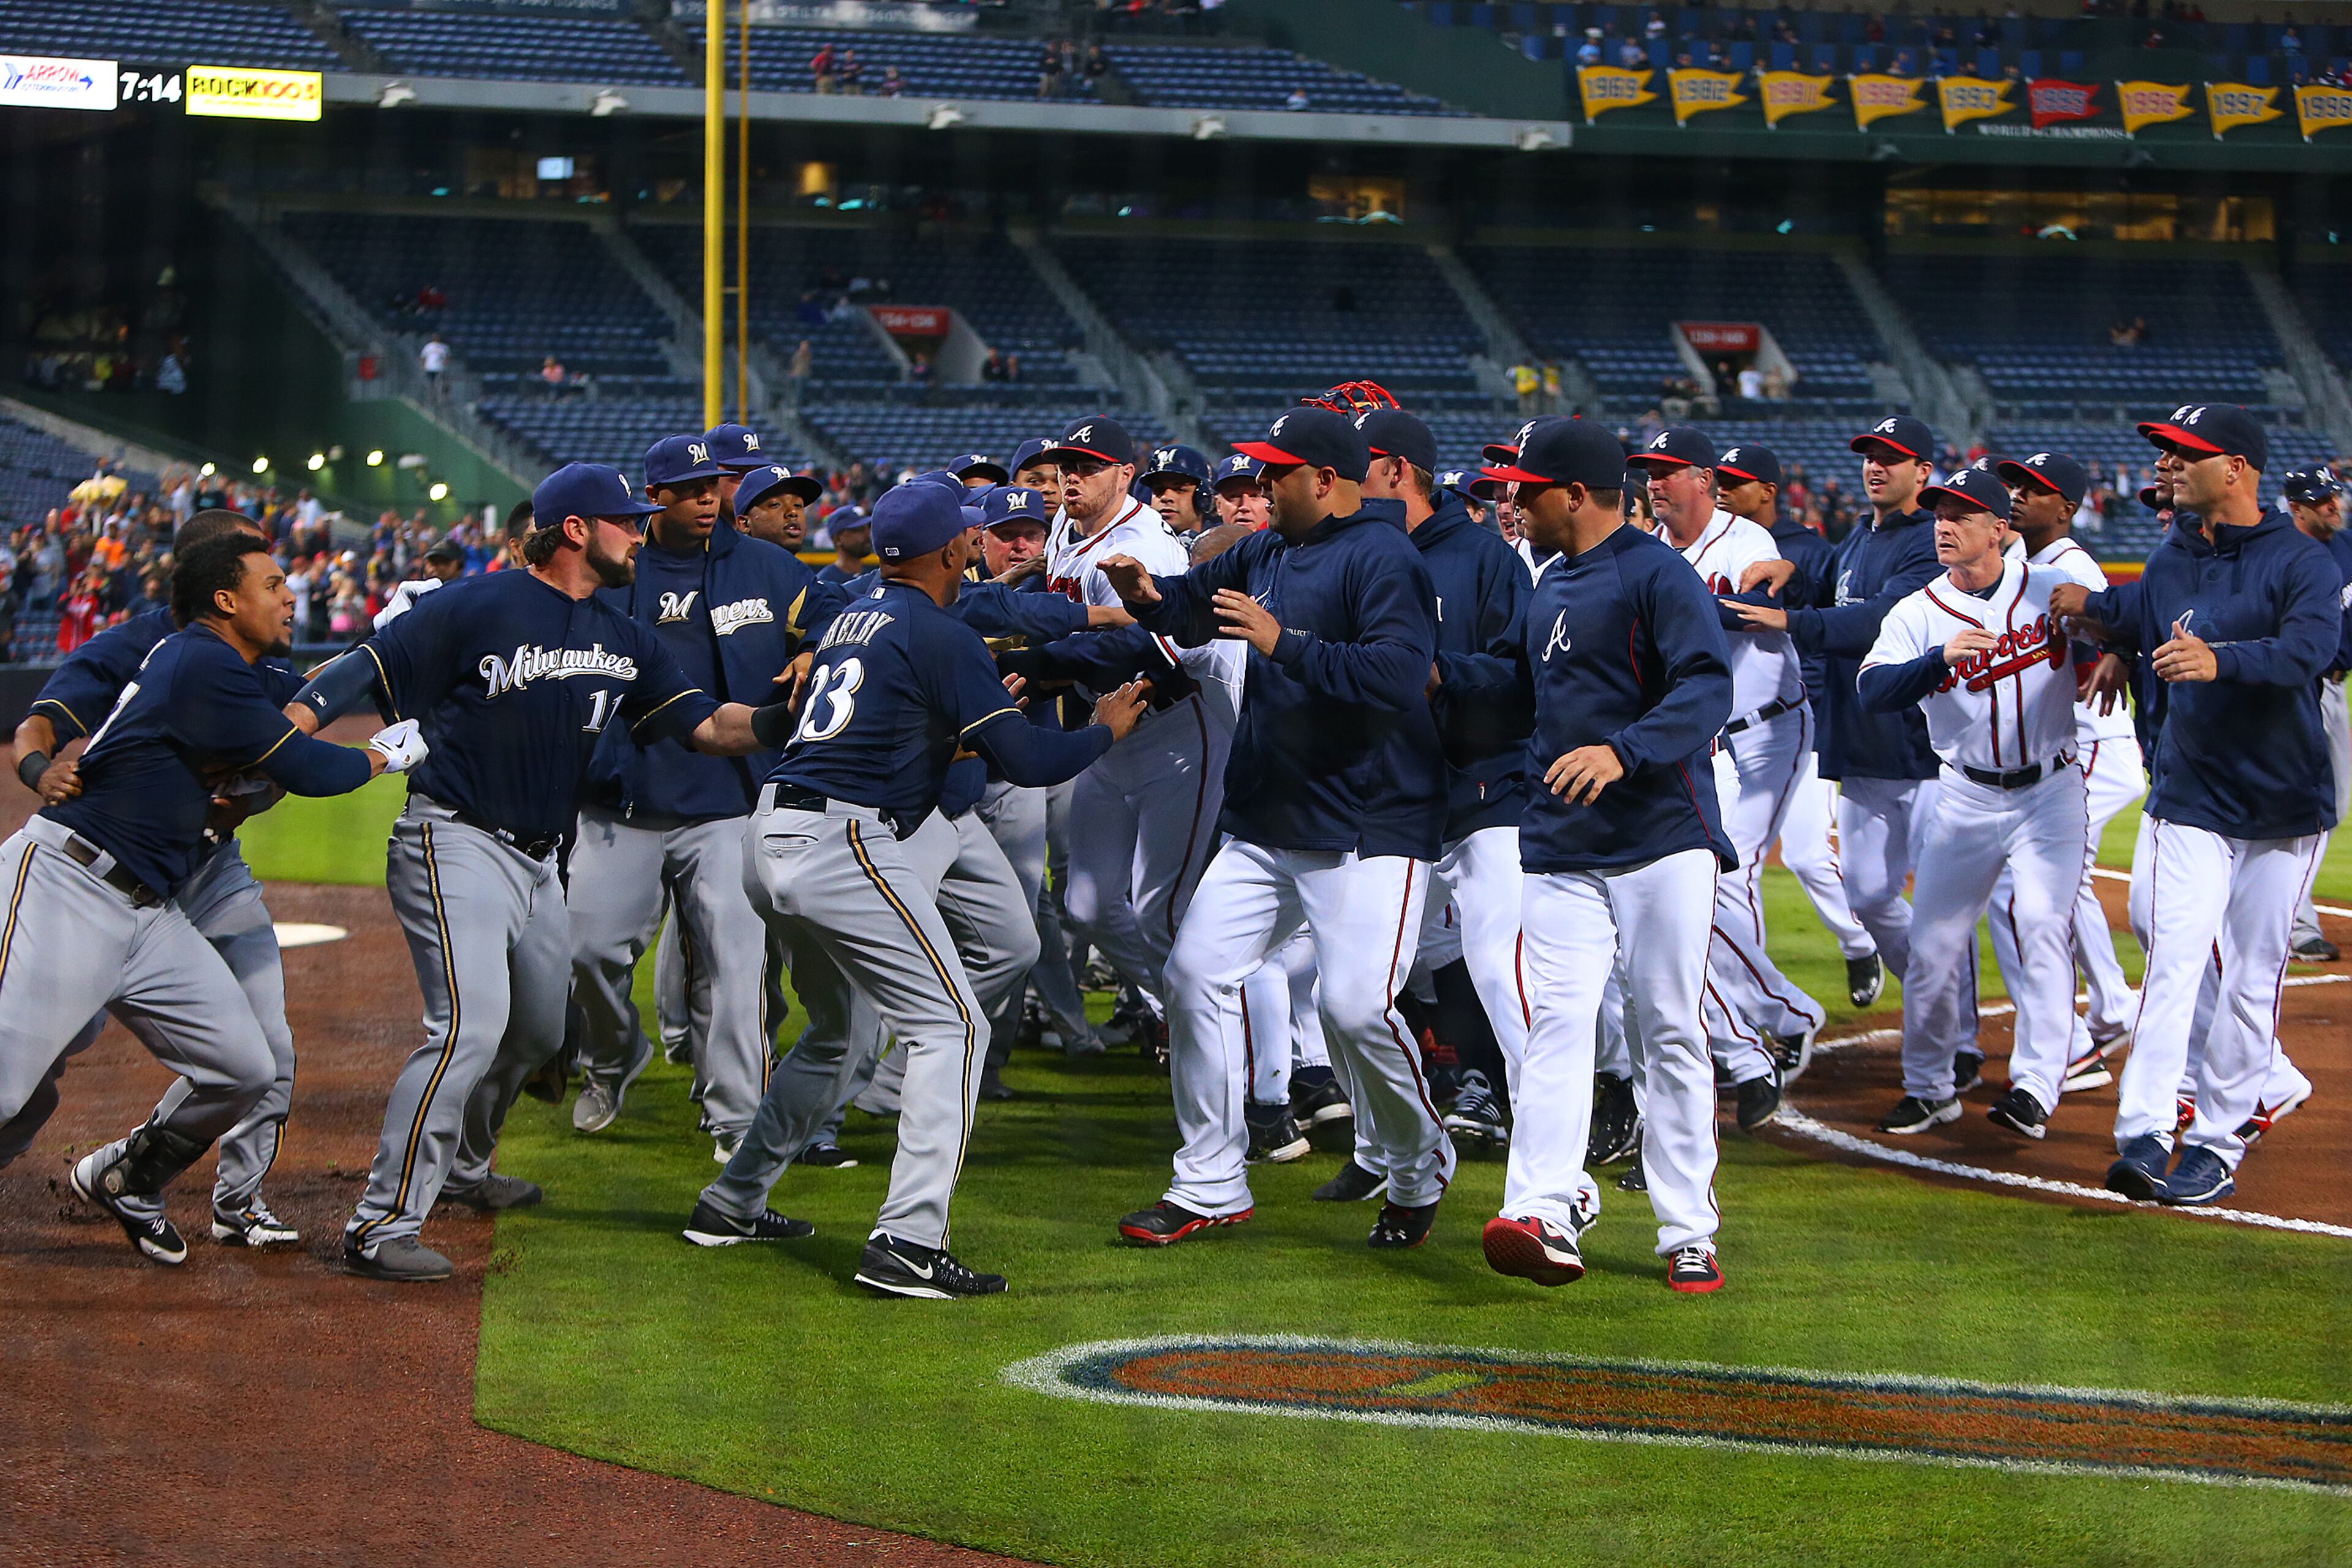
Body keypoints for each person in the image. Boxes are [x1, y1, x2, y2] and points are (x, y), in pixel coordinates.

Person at [288, 462, 782, 1283]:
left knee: (538, 1034)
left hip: (543, 859)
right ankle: (378, 1223)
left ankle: (466, 1171)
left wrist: (784, 716)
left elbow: (708, 727)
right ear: (578, 530)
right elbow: (360, 672)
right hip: (455, 839)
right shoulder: (477, 603)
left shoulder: (624, 635)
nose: (638, 531)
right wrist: (289, 729)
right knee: (467, 1029)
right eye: (623, 519)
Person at [688, 481, 1145, 1297]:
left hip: (772, 830)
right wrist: (1104, 729)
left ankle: (731, 1201)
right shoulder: (936, 631)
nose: (977, 547)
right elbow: (1030, 762)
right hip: (842, 838)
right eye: (968, 539)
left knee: (836, 1032)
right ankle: (907, 1241)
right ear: (948, 551)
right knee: (955, 1029)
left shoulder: (850, 619)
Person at [0, 532, 414, 1265]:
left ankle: (131, 1177)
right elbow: (309, 766)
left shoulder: (228, 662)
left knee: (244, 1068)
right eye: (273, 582)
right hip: (70, 883)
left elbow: (271, 753)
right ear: (225, 599)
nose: (291, 595)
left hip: (152, 905)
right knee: (11, 1091)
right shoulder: (199, 660)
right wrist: (386, 754)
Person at [1099, 406, 1455, 1252]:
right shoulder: (1268, 548)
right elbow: (1192, 610)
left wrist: (1284, 643)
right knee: (1194, 974)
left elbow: (1402, 677)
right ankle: (1209, 1182)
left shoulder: (1383, 555)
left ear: (1324, 480)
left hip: (1370, 821)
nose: (1258, 486)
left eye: (1275, 472)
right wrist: (1147, 597)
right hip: (1269, 815)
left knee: (1356, 1009)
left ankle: (1417, 1166)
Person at [1469, 417, 1736, 1294]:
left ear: (1574, 494)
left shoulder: (1657, 574)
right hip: (1561, 842)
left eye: (1526, 488)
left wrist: (1625, 749)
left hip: (1661, 839)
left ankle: (1687, 1228)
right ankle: (1545, 1208)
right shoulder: (1547, 580)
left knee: (1667, 1026)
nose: (1512, 501)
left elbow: (1706, 686)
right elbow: (1512, 689)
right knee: (1558, 1023)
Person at [2057, 407, 2340, 1206]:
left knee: (2251, 979)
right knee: (2174, 960)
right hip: (2190, 798)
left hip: (2284, 806)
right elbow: (2136, 612)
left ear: (2238, 469)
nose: (2168, 467)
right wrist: (2095, 613)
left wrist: (2224, 660)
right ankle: (2143, 1134)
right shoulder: (2173, 554)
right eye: (2165, 454)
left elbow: (2311, 651)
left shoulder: (2300, 561)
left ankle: (2217, 1144)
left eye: (2185, 454)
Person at [564, 435, 821, 1161]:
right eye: (690, 488)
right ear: (657, 498)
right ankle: (612, 1058)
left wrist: (813, 646)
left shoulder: (769, 567)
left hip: (730, 803)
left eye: (716, 485)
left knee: (737, 970)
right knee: (586, 952)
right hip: (624, 801)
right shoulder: (617, 572)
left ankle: (736, 1121)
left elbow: (842, 611)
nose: (709, 498)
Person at [1855, 464, 2087, 1142]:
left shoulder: (2051, 588)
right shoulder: (1920, 610)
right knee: (1932, 949)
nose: (1944, 526)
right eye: (1938, 514)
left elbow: (2117, 624)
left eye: (1960, 514)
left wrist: (2116, 652)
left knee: (2042, 923)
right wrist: (1936, 661)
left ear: (2000, 529)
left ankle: (2038, 1085)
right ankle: (1929, 1087)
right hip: (1965, 794)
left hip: (2051, 788)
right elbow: (1873, 689)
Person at [1725, 415, 1942, 1018]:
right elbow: (1831, 583)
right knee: (1870, 897)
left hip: (1922, 749)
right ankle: (1934, 1007)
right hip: (1862, 744)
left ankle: (1956, 1038)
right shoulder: (1860, 537)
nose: (1876, 465)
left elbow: (1883, 621)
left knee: (1946, 915)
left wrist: (1793, 620)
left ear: (1923, 470)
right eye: (1870, 455)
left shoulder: (1929, 542)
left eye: (1891, 457)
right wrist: (1795, 572)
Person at [1630, 429, 1815, 1125]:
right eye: (1649, 472)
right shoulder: (1649, 547)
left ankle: (1768, 1024)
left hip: (1767, 728)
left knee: (1717, 892)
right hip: (1695, 742)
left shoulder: (1743, 542)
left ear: (1704, 481)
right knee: (1700, 902)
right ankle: (1776, 1017)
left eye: (1668, 472)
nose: (1655, 483)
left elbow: (1755, 601)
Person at [1368, 410, 1530, 1156]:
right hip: (1395, 800)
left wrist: (1442, 674)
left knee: (1504, 966)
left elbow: (1524, 678)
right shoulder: (1360, 555)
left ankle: (1539, 1130)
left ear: (1398, 472)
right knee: (1361, 982)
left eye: (1361, 465)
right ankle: (1394, 1143)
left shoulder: (1483, 558)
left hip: (1485, 792)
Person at [1040, 417, 1218, 1061]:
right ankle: (1195, 1015)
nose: (1072, 476)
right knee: (1085, 903)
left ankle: (1230, 1046)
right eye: (1066, 465)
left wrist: (1046, 663)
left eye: (1087, 465)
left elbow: (1165, 648)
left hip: (1176, 730)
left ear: (1123, 472)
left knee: (1160, 911)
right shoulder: (1067, 524)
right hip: (1107, 727)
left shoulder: (1145, 543)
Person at [1986, 450, 2144, 1089]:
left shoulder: (2070, 564)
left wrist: (2119, 648)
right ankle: (2111, 1005)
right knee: (2064, 886)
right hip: (2080, 744)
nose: (2019, 494)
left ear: (2069, 507)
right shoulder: (2029, 562)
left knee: (2020, 890)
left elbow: (2121, 620)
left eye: (2037, 489)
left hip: (2095, 742)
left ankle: (2072, 1045)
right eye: (2017, 483)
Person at [1714, 444, 1880, 1020]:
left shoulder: (1806, 548)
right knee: (1741, 865)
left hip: (1797, 720)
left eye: (1737, 482)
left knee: (1808, 856)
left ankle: (1858, 947)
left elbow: (1835, 624)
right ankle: (1758, 993)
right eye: (1720, 479)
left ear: (1768, 490)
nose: (1724, 490)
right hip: (1737, 733)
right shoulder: (1721, 541)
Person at [2278, 466, 2351, 963]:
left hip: (2334, 689)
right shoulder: (2279, 551)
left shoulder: (2346, 549)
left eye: (2335, 495)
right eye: (2321, 499)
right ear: (2296, 508)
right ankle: (2295, 924)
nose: (2333, 504)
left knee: (2334, 806)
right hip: (2294, 688)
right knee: (2303, 807)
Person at [734, 464, 823, 554]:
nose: (793, 512)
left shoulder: (801, 568)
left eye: (798, 505)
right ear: (745, 524)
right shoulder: (730, 567)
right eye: (775, 505)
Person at [1139, 444, 1215, 536]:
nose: (1165, 497)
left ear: (1204, 497)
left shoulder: (1224, 546)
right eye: (1159, 489)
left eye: (1180, 490)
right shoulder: (1133, 543)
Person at [1211, 452, 1270, 531]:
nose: (1244, 507)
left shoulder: (1289, 542)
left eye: (1254, 496)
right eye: (1234, 496)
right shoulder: (1203, 542)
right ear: (1219, 505)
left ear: (1272, 502)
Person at [818, 510, 870, 587]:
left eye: (868, 528)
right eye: (859, 529)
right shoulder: (825, 582)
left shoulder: (873, 576)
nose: (867, 534)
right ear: (838, 539)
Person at [420, 333, 449, 399]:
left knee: (439, 384)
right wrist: (424, 365)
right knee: (430, 384)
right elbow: (423, 357)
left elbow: (447, 357)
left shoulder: (444, 347)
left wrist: (444, 363)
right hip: (430, 368)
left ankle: (439, 397)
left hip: (439, 368)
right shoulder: (428, 347)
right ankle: (430, 397)